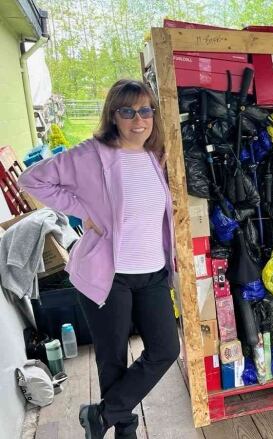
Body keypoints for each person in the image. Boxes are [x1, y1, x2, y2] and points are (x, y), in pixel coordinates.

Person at [20, 79, 178, 439]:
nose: (139, 120)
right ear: (113, 116)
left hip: (153, 273)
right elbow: (33, 179)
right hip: (109, 275)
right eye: (128, 111)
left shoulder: (154, 156)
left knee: (166, 349)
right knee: (112, 358)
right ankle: (123, 428)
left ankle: (101, 416)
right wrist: (82, 213)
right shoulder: (92, 154)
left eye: (145, 110)